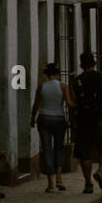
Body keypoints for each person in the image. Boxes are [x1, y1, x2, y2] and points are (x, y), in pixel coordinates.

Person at [71, 52, 102, 193]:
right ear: (94, 63)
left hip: (84, 118)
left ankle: (88, 183)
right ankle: (101, 171)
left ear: (81, 65)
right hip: (101, 117)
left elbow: (74, 100)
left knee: (85, 152)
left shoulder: (77, 80)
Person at [30, 62, 74, 193]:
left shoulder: (41, 87)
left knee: (47, 148)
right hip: (59, 119)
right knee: (59, 147)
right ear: (58, 73)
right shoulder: (63, 86)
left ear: (46, 75)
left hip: (44, 118)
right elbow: (70, 104)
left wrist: (32, 119)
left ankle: (50, 183)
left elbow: (36, 105)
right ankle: (60, 178)